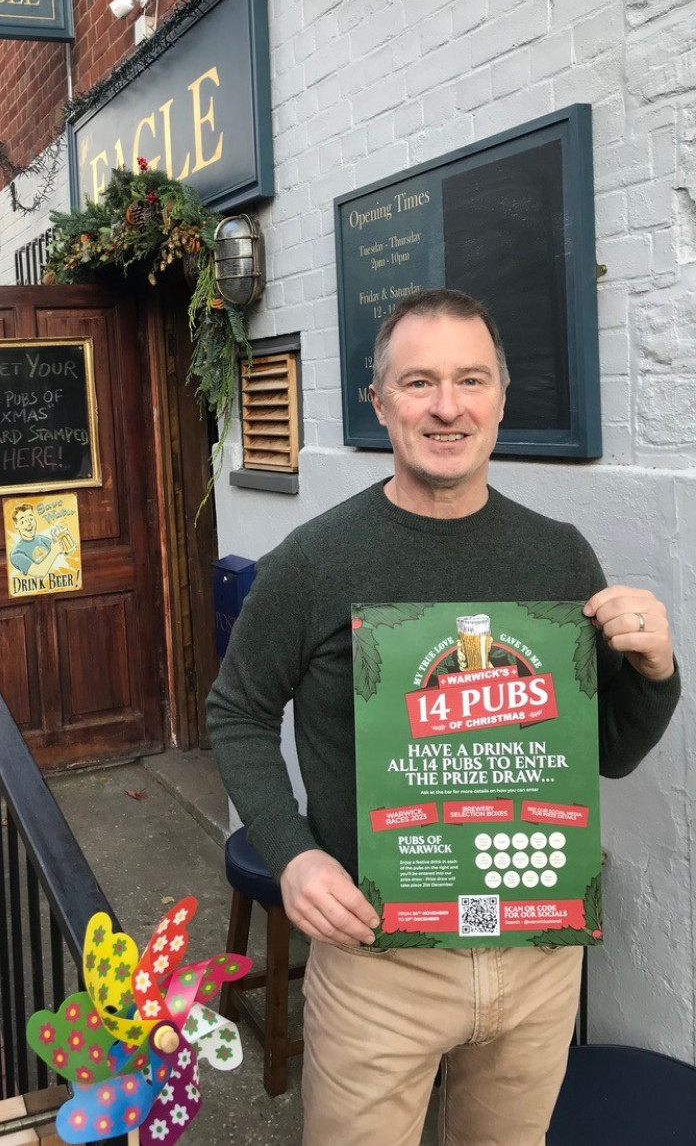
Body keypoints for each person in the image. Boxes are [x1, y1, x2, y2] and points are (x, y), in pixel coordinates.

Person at [206, 288, 680, 1146]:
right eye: (419, 382)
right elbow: (236, 709)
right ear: (378, 402)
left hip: (538, 954)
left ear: (502, 395)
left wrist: (654, 672)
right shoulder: (314, 560)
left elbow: (604, 752)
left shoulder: (559, 552)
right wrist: (294, 852)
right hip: (380, 959)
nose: (448, 406)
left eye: (471, 379)